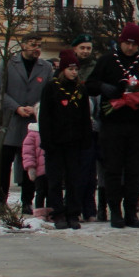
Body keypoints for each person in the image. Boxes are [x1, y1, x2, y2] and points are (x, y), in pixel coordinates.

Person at [85, 23, 139, 228]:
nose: (130, 48)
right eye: (127, 43)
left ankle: (131, 211)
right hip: (112, 124)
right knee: (112, 169)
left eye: (134, 44)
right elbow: (90, 85)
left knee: (135, 171)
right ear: (121, 42)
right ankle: (115, 211)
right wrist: (105, 88)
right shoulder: (107, 61)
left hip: (137, 125)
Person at [0, 34, 54, 213]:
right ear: (23, 45)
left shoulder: (46, 67)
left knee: (30, 163)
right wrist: (16, 107)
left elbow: (50, 92)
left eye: (39, 45)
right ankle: (0, 200)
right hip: (10, 122)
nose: (36, 48)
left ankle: (27, 200)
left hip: (33, 123)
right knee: (5, 164)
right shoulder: (8, 64)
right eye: (32, 44)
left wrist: (37, 108)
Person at [38, 50, 92, 230]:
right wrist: (47, 140)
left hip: (74, 142)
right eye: (70, 69)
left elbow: (85, 116)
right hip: (55, 142)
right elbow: (45, 117)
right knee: (54, 180)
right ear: (63, 70)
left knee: (74, 179)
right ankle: (58, 212)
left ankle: (73, 213)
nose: (74, 72)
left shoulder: (80, 89)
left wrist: (86, 139)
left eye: (76, 69)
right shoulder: (51, 88)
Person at [71, 34, 100, 222]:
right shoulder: (68, 67)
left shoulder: (95, 68)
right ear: (75, 48)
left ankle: (89, 207)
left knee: (90, 171)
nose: (85, 51)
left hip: (92, 125)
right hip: (72, 127)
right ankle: (75, 206)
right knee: (76, 170)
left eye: (88, 48)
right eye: (82, 47)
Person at [21, 104, 48, 218]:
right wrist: (30, 167)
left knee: (52, 192)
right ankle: (39, 212)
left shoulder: (52, 132)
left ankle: (51, 212)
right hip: (39, 171)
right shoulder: (33, 133)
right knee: (40, 192)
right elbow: (28, 153)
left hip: (52, 169)